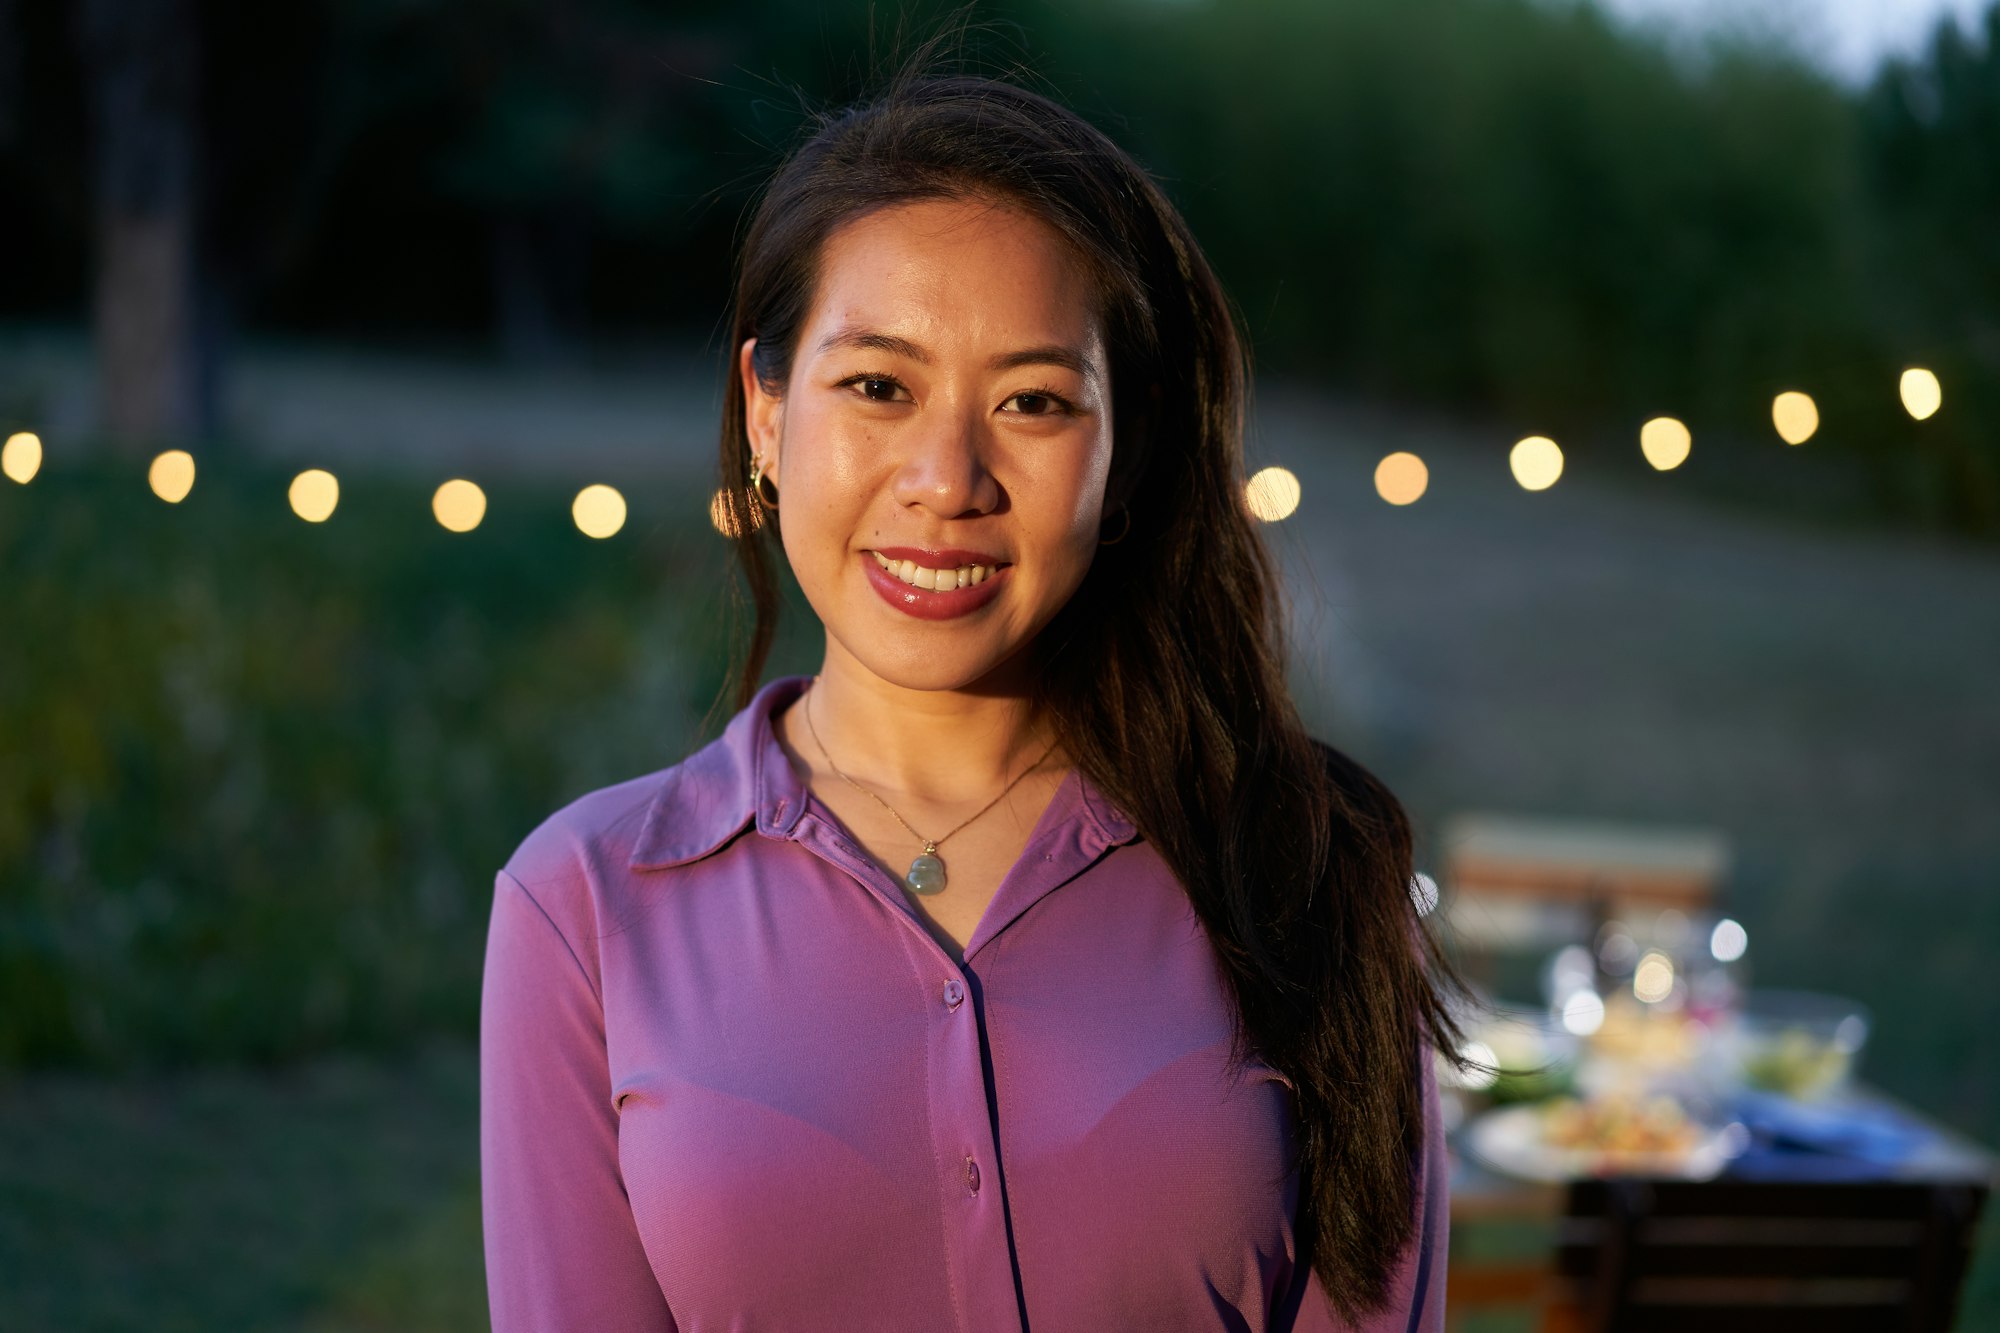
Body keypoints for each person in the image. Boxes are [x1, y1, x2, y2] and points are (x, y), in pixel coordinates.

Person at [480, 53, 1473, 1333]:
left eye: (1034, 401)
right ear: (766, 413)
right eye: (878, 386)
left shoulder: (1308, 872)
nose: (946, 478)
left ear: (1124, 451)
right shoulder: (585, 911)